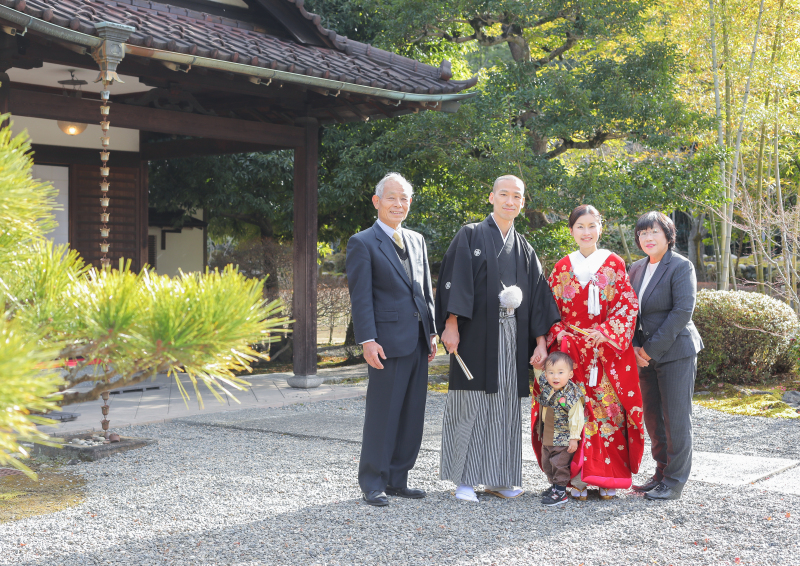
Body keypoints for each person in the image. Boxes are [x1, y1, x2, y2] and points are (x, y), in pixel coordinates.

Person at [436, 175, 561, 502]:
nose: (510, 201)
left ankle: (498, 478)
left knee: (505, 404)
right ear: (491, 197)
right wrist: (451, 323)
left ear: (522, 202)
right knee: (471, 402)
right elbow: (455, 280)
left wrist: (541, 342)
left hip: (512, 335)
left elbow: (538, 297)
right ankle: (465, 479)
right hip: (475, 333)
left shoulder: (524, 247)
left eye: (516, 196)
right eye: (504, 194)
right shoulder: (470, 234)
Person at [534, 204, 644, 501]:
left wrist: (606, 333)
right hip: (571, 354)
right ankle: (575, 479)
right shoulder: (562, 267)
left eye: (591, 225)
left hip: (603, 351)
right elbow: (550, 312)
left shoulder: (614, 263)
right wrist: (559, 335)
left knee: (608, 411)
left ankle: (609, 478)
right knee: (572, 411)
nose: (586, 232)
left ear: (601, 227)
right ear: (571, 230)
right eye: (580, 226)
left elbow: (626, 305)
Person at [346, 172, 438, 507]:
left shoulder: (416, 240)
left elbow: (425, 290)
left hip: (417, 340)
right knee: (383, 413)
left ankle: (399, 478)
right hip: (384, 342)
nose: (398, 204)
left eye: (404, 199)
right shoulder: (363, 242)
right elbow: (362, 297)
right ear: (377, 202)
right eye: (391, 198)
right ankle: (373, 481)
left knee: (412, 413)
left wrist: (431, 331)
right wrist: (367, 339)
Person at [629, 211, 703, 501]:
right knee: (653, 419)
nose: (647, 237)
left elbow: (682, 313)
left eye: (654, 232)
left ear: (668, 236)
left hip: (675, 352)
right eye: (643, 233)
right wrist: (635, 347)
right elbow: (629, 311)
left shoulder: (680, 266)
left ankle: (675, 480)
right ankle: (661, 472)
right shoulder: (636, 268)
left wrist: (648, 350)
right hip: (643, 355)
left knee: (676, 419)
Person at [535, 351, 585, 507]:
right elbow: (539, 374)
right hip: (548, 434)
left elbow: (576, 417)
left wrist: (574, 438)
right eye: (551, 373)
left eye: (560, 373)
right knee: (547, 462)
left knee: (559, 463)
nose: (555, 377)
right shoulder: (547, 385)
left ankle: (561, 491)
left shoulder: (572, 394)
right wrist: (537, 365)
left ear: (570, 374)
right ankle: (554, 486)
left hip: (562, 437)